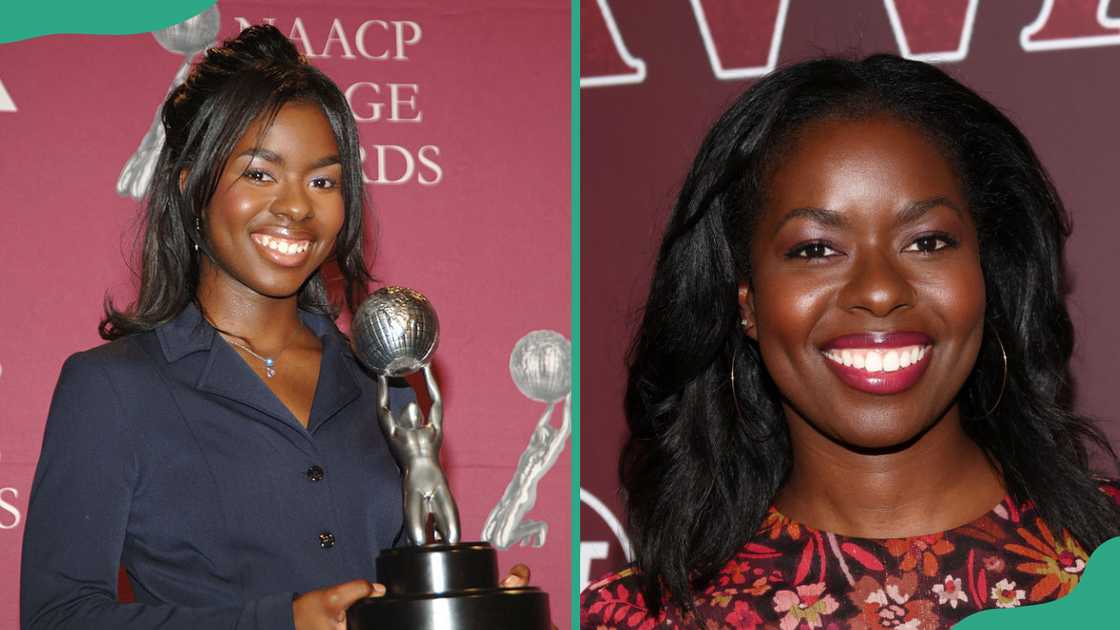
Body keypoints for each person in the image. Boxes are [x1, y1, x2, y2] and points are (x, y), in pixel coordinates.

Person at [581, 54, 1120, 628]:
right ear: (747, 301)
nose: (880, 291)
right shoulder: (644, 617)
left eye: (927, 242)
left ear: (986, 274)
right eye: (816, 249)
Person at [21, 25, 529, 630]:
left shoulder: (383, 385)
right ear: (192, 186)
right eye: (261, 174)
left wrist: (476, 612)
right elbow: (59, 617)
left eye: (323, 181)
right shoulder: (113, 389)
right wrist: (279, 622)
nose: (296, 206)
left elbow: (400, 597)